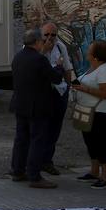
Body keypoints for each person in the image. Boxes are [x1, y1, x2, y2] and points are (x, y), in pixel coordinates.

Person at [9, 28, 64, 189]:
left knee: (21, 139)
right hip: (37, 107)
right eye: (42, 40)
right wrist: (59, 66)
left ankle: (18, 170)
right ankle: (35, 175)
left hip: (20, 105)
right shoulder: (39, 59)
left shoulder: (18, 57)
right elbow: (55, 77)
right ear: (37, 42)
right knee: (37, 140)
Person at [72, 39, 106, 189]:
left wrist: (84, 89)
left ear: (96, 55)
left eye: (90, 49)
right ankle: (94, 171)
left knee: (102, 143)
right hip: (88, 111)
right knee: (90, 142)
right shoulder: (92, 68)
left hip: (101, 113)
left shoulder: (105, 70)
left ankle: (105, 177)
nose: (87, 50)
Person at [40, 21, 75, 176]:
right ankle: (36, 160)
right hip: (42, 93)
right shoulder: (35, 47)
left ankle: (47, 160)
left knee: (54, 129)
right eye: (46, 35)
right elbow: (32, 65)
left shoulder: (61, 47)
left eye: (53, 35)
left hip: (59, 92)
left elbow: (67, 68)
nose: (50, 38)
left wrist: (70, 87)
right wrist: (43, 50)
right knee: (40, 128)